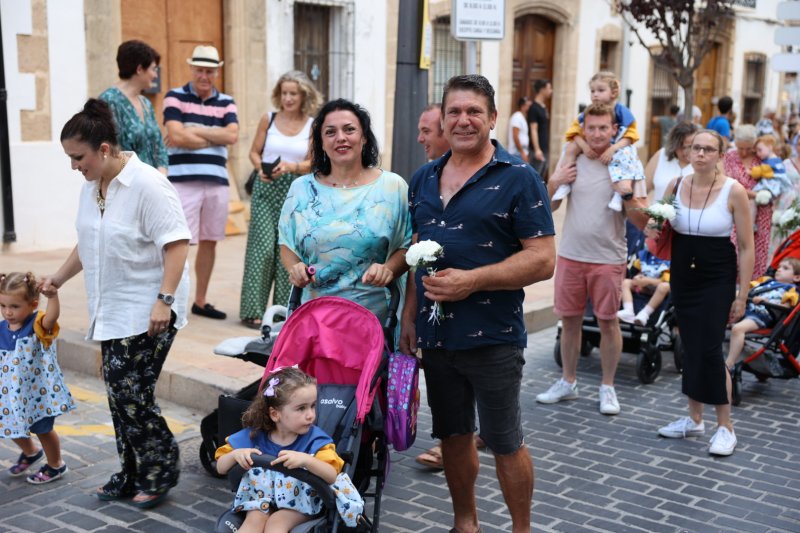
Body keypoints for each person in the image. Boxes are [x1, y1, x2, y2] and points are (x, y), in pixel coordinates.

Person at [400, 74, 556, 533]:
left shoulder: (519, 179)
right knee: (452, 434)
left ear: (491, 118)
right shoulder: (423, 179)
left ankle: (520, 528)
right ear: (442, 121)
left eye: (473, 112)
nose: (463, 120)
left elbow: (543, 259)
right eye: (454, 112)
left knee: (505, 440)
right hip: (437, 334)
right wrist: (410, 316)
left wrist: (473, 281)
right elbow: (414, 253)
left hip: (493, 334)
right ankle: (465, 522)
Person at [44, 98, 190, 507]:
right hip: (111, 308)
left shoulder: (148, 184)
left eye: (78, 157)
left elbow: (177, 245)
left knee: (131, 395)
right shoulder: (93, 187)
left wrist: (164, 300)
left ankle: (160, 466)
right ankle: (131, 472)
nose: (75, 166)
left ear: (104, 149)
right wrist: (57, 277)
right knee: (119, 396)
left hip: (150, 309)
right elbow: (88, 239)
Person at [536, 103, 649, 414]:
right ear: (583, 129)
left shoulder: (626, 162)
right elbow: (550, 209)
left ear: (614, 130)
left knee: (608, 322)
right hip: (572, 254)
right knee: (569, 322)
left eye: (604, 128)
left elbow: (642, 222)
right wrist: (554, 181)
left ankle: (608, 387)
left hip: (608, 257)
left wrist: (625, 194)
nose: (597, 134)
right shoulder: (573, 156)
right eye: (592, 128)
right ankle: (567, 382)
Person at [653, 129, 754, 457]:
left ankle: (726, 427)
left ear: (719, 155)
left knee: (710, 349)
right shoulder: (676, 186)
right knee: (691, 345)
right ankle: (694, 418)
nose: (700, 154)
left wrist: (742, 294)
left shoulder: (733, 191)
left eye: (708, 149)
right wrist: (652, 225)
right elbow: (658, 227)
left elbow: (747, 246)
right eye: (695, 148)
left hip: (716, 277)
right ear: (687, 151)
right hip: (684, 275)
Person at [279, 99, 411, 324]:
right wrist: (295, 268)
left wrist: (389, 269)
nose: (340, 137)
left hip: (375, 322)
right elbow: (287, 243)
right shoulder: (300, 189)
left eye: (349, 129)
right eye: (330, 132)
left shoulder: (392, 187)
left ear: (364, 137)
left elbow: (407, 245)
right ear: (321, 142)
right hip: (314, 321)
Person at [413, 104, 484, 471]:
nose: (421, 138)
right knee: (448, 393)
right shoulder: (422, 180)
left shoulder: (493, 177)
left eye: (426, 130)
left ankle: (468, 436)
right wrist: (410, 317)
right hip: (434, 320)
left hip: (483, 319)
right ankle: (458, 437)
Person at [215, 367, 363, 532]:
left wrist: (308, 460)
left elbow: (331, 475)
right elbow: (221, 467)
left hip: (299, 505)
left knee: (277, 523)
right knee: (254, 520)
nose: (310, 415)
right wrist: (236, 455)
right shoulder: (255, 436)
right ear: (275, 414)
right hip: (262, 499)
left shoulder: (315, 441)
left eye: (313, 406)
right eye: (301, 408)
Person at [239, 71, 322, 329]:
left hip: (295, 189)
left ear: (303, 96)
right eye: (284, 93)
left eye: (293, 93)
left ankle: (281, 311)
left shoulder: (312, 125)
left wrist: (292, 167)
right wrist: (261, 167)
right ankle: (252, 310)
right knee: (261, 249)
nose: (287, 98)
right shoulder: (269, 119)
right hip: (266, 188)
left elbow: (314, 162)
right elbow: (254, 152)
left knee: (286, 250)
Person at [163, 44, 239, 320]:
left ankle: (200, 300)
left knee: (210, 241)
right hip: (183, 181)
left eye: (209, 71)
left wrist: (192, 129)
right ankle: (171, 298)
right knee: (180, 241)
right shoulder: (174, 97)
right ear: (192, 69)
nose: (204, 75)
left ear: (216, 72)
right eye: (200, 70)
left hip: (216, 182)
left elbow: (232, 136)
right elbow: (176, 135)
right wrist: (210, 135)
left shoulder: (227, 101)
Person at [1, 272, 74, 484]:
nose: (8, 312)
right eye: (3, 305)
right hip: (10, 394)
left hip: (37, 394)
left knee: (43, 429)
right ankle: (31, 452)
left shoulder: (38, 325)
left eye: (14, 307)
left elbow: (52, 316)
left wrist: (53, 297)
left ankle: (55, 464)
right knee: (8, 424)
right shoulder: (1, 328)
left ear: (33, 305)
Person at [554, 71, 645, 212]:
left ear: (613, 93)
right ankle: (564, 183)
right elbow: (574, 133)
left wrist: (613, 149)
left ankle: (618, 194)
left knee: (626, 157)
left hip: (619, 145)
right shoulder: (586, 113)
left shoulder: (622, 111)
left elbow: (630, 136)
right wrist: (584, 147)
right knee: (571, 147)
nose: (595, 94)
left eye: (600, 90)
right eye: (592, 91)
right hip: (588, 144)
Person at [99, 40, 168, 173]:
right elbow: (111, 152)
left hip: (152, 184)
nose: (155, 75)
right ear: (139, 69)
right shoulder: (108, 101)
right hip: (125, 185)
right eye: (153, 69)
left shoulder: (146, 103)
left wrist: (161, 176)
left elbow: (160, 148)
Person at [725, 258, 800, 370]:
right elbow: (748, 292)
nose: (779, 270)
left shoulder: (791, 291)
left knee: (738, 329)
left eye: (785, 268)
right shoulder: (766, 282)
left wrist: (765, 301)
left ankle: (729, 363)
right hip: (746, 309)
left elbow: (786, 308)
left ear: (796, 277)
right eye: (779, 267)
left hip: (761, 316)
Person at [723, 124, 771, 278]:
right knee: (734, 245)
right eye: (740, 148)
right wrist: (751, 193)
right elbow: (726, 182)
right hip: (736, 208)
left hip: (761, 211)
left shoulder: (762, 156)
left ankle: (751, 286)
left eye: (748, 148)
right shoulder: (730, 156)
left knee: (757, 246)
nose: (743, 152)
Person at [644, 121, 698, 202]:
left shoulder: (704, 162)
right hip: (658, 213)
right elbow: (643, 189)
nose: (685, 152)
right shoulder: (661, 155)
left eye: (690, 147)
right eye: (680, 147)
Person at [616, 250, 670, 326]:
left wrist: (648, 281)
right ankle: (628, 310)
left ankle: (645, 313)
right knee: (626, 282)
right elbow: (634, 273)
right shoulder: (644, 256)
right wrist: (637, 278)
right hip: (643, 287)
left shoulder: (669, 259)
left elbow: (667, 280)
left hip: (660, 288)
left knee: (664, 286)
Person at [528, 78, 552, 178]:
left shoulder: (543, 107)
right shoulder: (533, 108)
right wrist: (537, 149)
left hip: (545, 148)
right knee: (535, 177)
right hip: (537, 150)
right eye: (549, 88)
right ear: (542, 89)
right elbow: (533, 129)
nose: (551, 91)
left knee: (541, 177)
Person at [507, 96, 531, 161]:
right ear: (523, 106)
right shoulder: (517, 117)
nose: (530, 108)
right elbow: (515, 136)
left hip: (520, 153)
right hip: (516, 154)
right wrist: (522, 152)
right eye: (528, 106)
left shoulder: (522, 118)